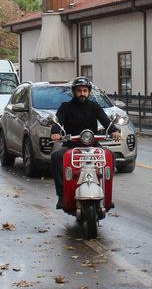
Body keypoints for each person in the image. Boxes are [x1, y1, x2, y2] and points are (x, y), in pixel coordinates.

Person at [50, 77, 122, 209]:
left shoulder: (94, 106)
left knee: (110, 156)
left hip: (92, 144)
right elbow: (58, 121)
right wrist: (55, 132)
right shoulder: (66, 107)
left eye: (85, 90)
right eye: (79, 91)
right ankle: (61, 195)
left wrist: (114, 130)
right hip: (72, 145)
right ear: (74, 92)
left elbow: (105, 120)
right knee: (56, 157)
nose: (82, 93)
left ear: (88, 92)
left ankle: (107, 195)